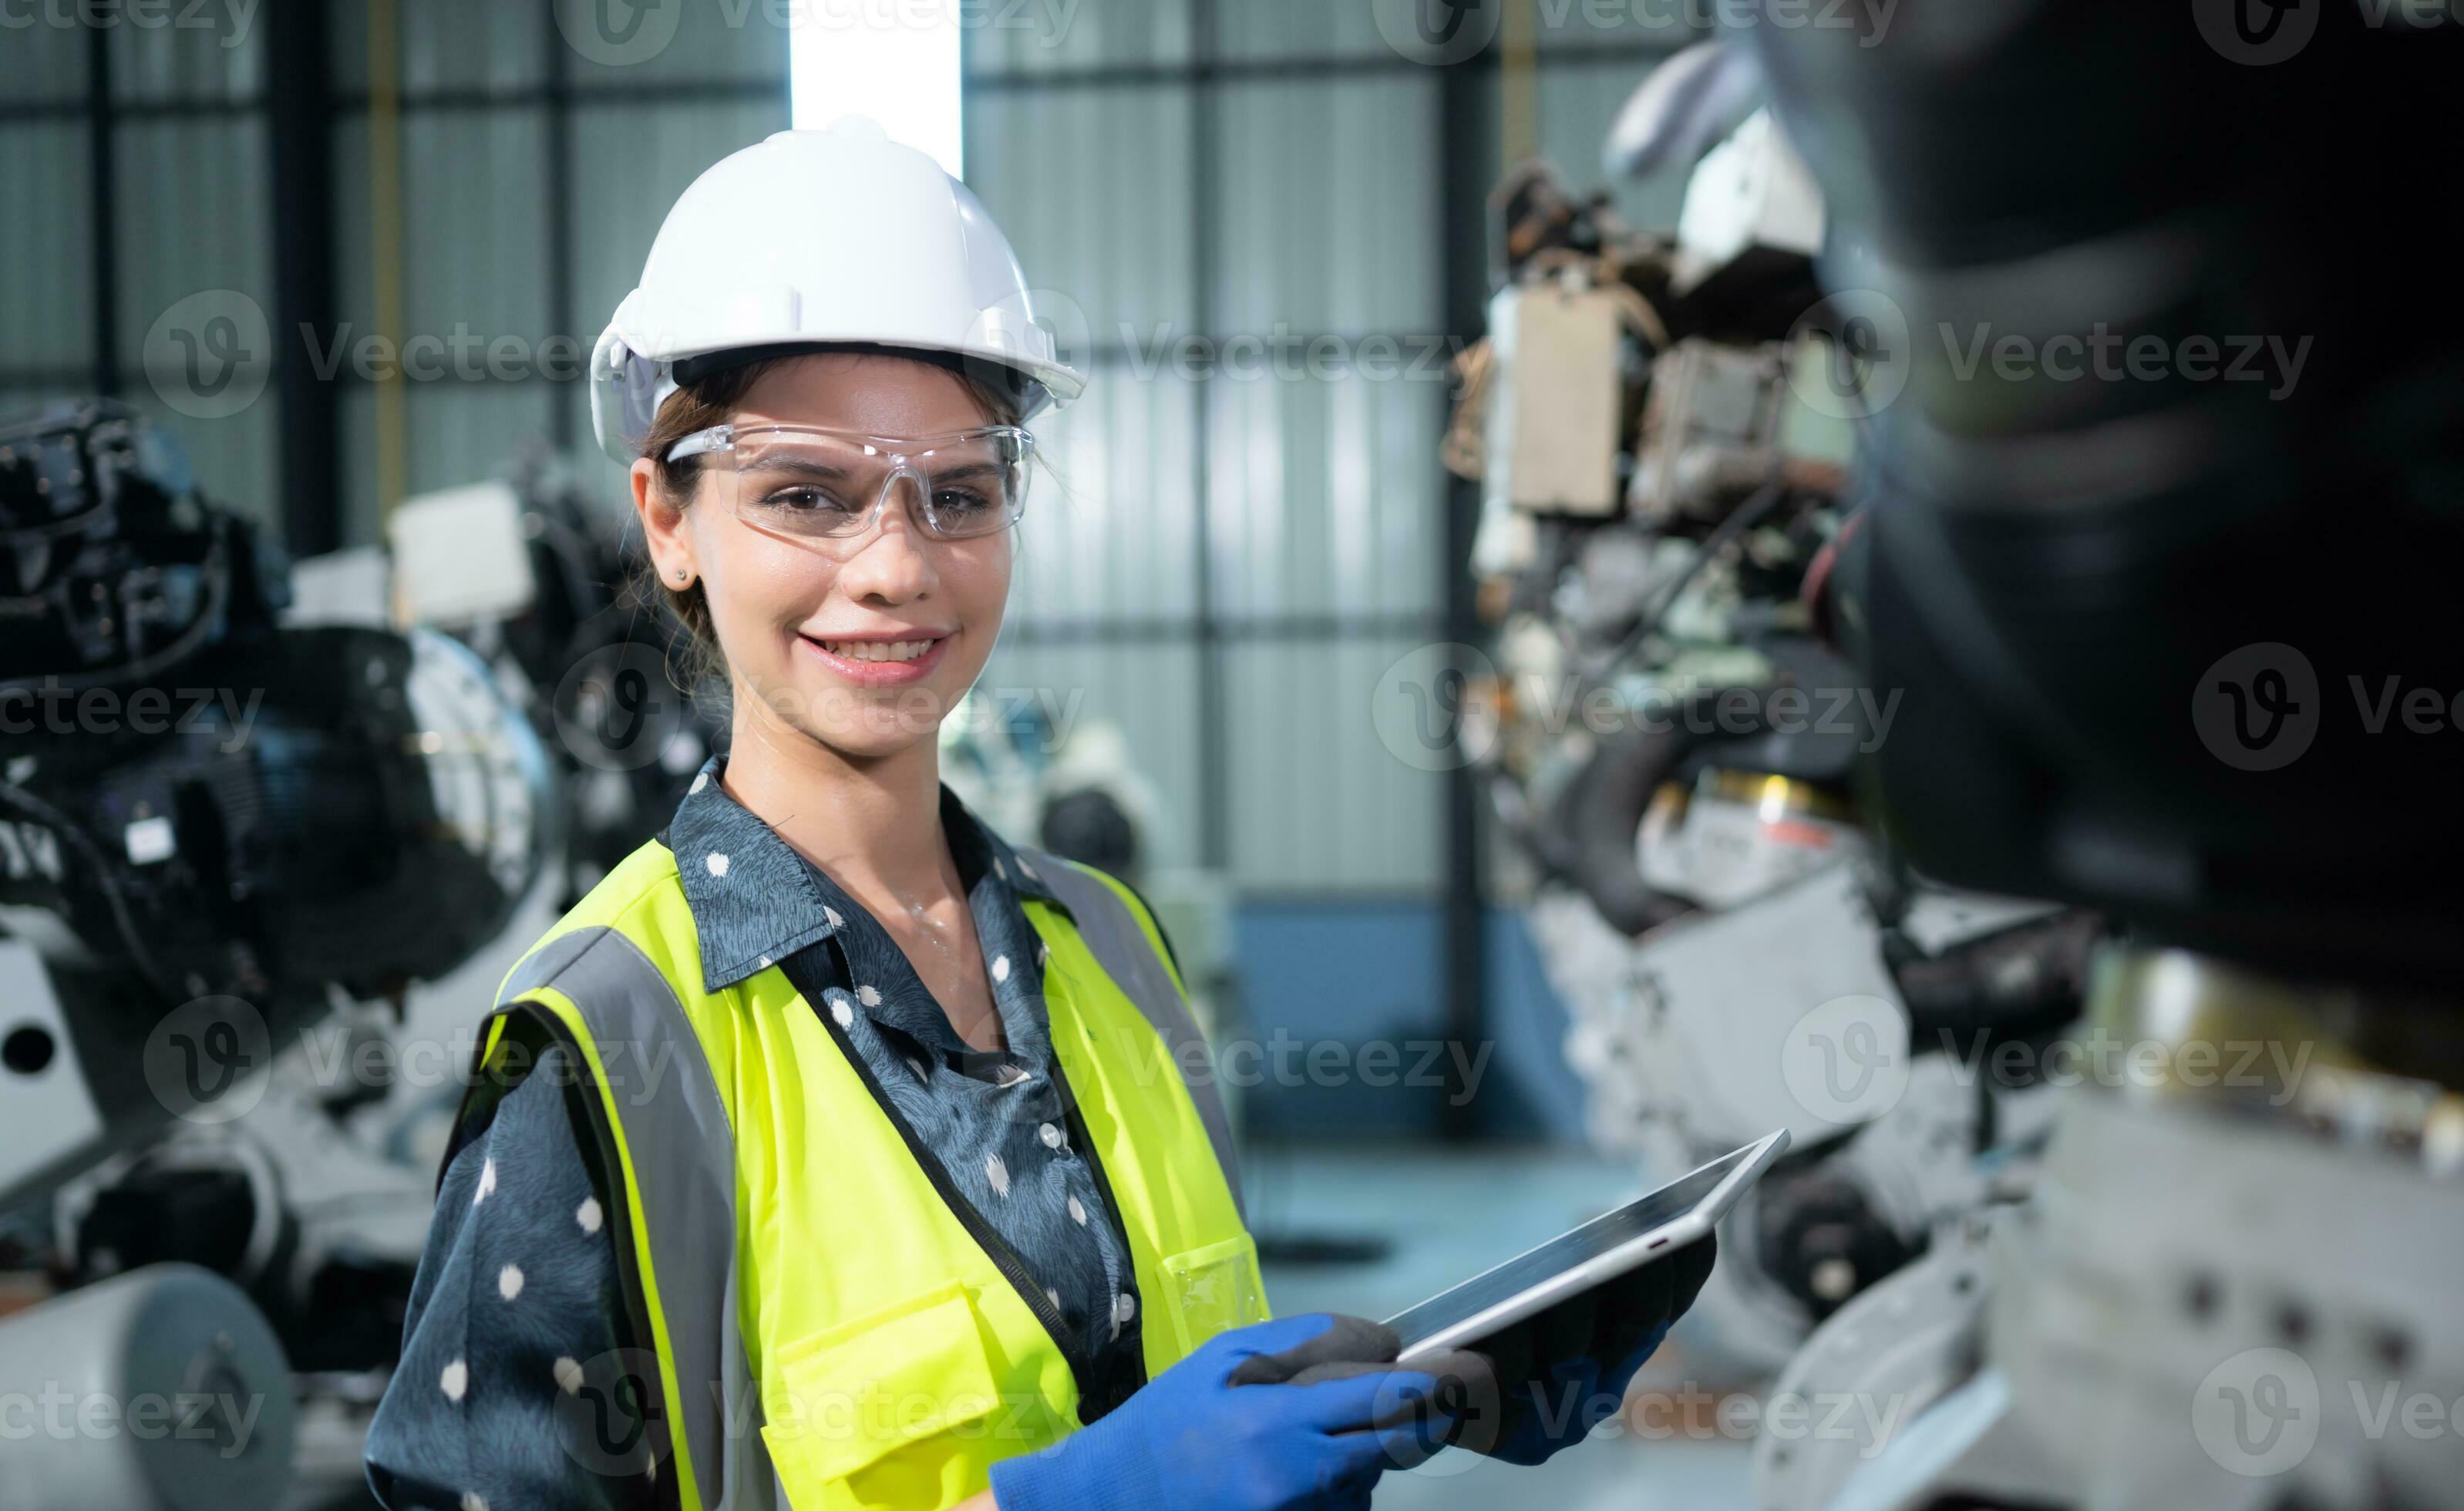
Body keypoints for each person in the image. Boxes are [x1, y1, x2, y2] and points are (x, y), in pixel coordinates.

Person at [364, 119, 1710, 1511]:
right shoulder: (605, 1042)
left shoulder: (1111, 947)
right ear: (667, 520)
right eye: (805, 496)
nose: (894, 566)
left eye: (958, 493)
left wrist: (1397, 1398)